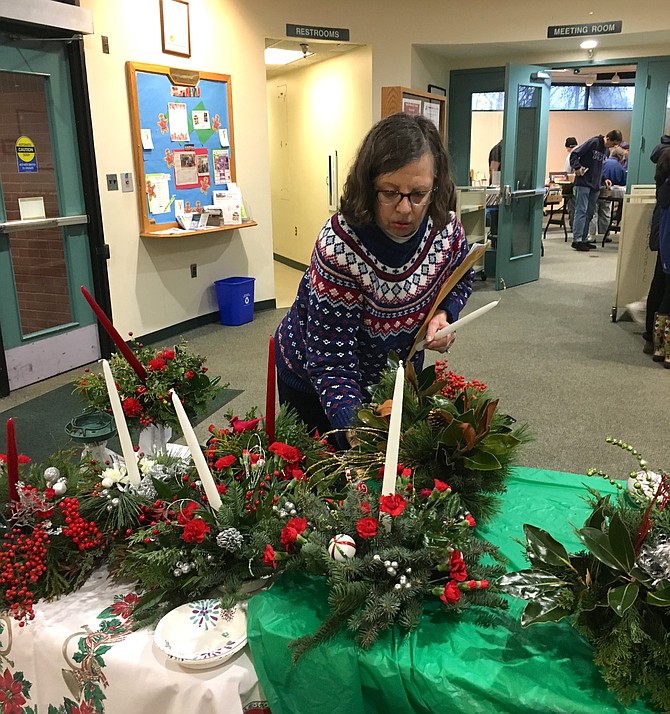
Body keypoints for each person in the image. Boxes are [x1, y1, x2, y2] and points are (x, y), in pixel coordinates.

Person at [274, 112, 473, 444]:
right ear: (368, 185)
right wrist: (359, 438)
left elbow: (461, 278)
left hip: (393, 376)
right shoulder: (341, 246)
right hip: (315, 381)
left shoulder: (446, 228)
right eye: (390, 192)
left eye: (418, 193)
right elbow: (331, 363)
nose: (405, 208)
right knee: (330, 482)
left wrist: (444, 314)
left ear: (435, 186)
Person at [569, 129, 622, 251]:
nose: (613, 147)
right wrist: (577, 167)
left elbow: (599, 167)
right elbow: (574, 154)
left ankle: (583, 238)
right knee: (581, 210)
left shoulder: (607, 151)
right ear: (607, 138)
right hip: (583, 182)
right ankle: (577, 239)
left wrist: (604, 179)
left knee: (590, 212)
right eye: (612, 143)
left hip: (595, 185)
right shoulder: (593, 142)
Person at [644, 144, 670, 365]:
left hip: (664, 241)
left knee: (660, 289)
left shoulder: (664, 185)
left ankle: (656, 343)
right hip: (667, 241)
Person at [590, 146, 627, 240]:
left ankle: (592, 235)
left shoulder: (604, 163)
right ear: (621, 157)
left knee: (593, 212)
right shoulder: (620, 167)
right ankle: (605, 234)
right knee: (605, 212)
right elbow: (623, 182)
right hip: (610, 193)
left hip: (597, 190)